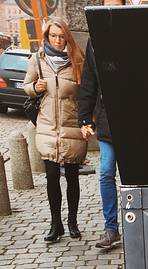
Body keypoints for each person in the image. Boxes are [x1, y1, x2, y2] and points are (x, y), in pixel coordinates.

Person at [23, 18, 87, 243]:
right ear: (47, 37)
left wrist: (87, 122)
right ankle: (55, 224)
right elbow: (26, 86)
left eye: (62, 36)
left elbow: (87, 91)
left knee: (72, 177)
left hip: (71, 125)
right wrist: (35, 87)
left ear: (67, 37)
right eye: (54, 36)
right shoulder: (37, 60)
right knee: (51, 177)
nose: (58, 40)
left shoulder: (77, 59)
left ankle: (72, 222)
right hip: (47, 127)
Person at [78, 0, 125, 251]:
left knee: (134, 178)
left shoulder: (132, 33)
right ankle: (111, 228)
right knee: (106, 172)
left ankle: (139, 224)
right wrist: (84, 118)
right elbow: (89, 81)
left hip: (133, 123)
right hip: (107, 122)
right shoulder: (93, 41)